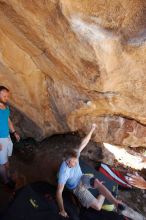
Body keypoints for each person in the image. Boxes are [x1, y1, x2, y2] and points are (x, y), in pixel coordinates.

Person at [56, 124, 122, 218]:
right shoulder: (64, 173)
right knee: (98, 207)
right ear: (67, 161)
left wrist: (92, 129)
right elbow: (58, 193)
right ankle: (102, 195)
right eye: (73, 162)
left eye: (76, 161)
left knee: (97, 183)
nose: (75, 163)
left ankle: (115, 202)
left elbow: (84, 142)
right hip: (77, 187)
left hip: (83, 177)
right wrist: (62, 210)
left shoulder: (74, 155)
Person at [0, 86, 20, 187]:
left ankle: (7, 175)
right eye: (4, 96)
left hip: (7, 137)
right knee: (1, 163)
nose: (7, 98)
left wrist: (14, 132)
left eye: (7, 96)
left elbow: (8, 121)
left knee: (6, 159)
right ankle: (6, 181)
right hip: (0, 139)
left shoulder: (6, 107)